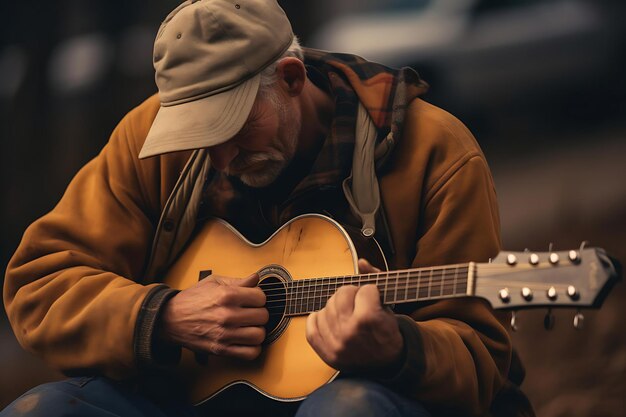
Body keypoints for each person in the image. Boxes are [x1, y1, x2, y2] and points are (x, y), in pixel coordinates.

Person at [2, 0, 533, 416]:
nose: (221, 157)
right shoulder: (149, 144)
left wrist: (397, 347)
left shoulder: (434, 151)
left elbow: (481, 359)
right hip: (189, 401)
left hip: (360, 402)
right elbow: (39, 285)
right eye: (196, 133)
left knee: (349, 410)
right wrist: (163, 316)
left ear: (290, 78)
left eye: (232, 127)